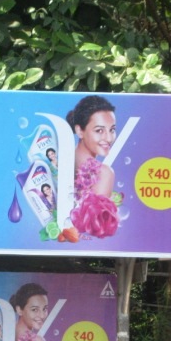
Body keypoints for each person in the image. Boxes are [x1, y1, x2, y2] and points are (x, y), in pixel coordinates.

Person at [64, 95, 119, 238]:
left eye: (112, 130)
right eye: (99, 130)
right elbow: (95, 227)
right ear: (79, 131)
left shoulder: (60, 159)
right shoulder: (104, 173)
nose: (108, 138)